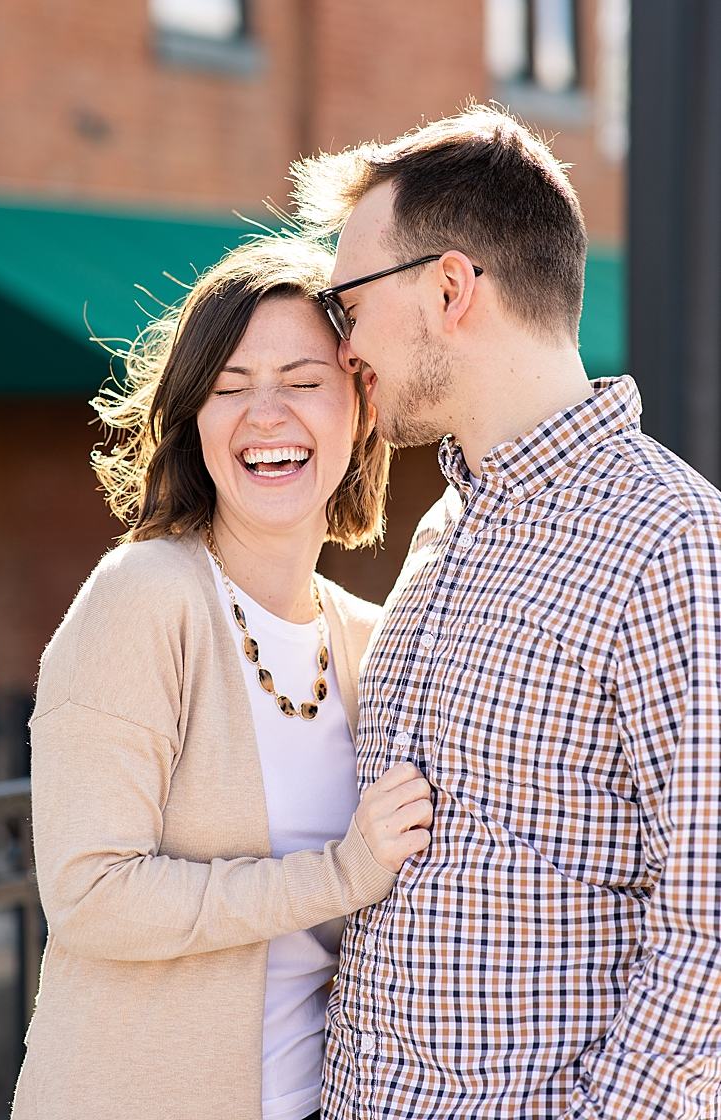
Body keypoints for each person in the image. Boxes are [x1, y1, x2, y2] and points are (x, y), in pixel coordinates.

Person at [291, 105, 721, 1118]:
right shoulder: (441, 535)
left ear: (449, 288)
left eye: (348, 301)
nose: (342, 343)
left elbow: (710, 928)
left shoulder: (675, 545)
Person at [11, 238, 434, 1120]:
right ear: (194, 420)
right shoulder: (143, 599)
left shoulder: (367, 640)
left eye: (303, 380)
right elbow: (90, 895)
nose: (265, 415)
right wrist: (341, 872)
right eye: (229, 386)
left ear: (359, 404)